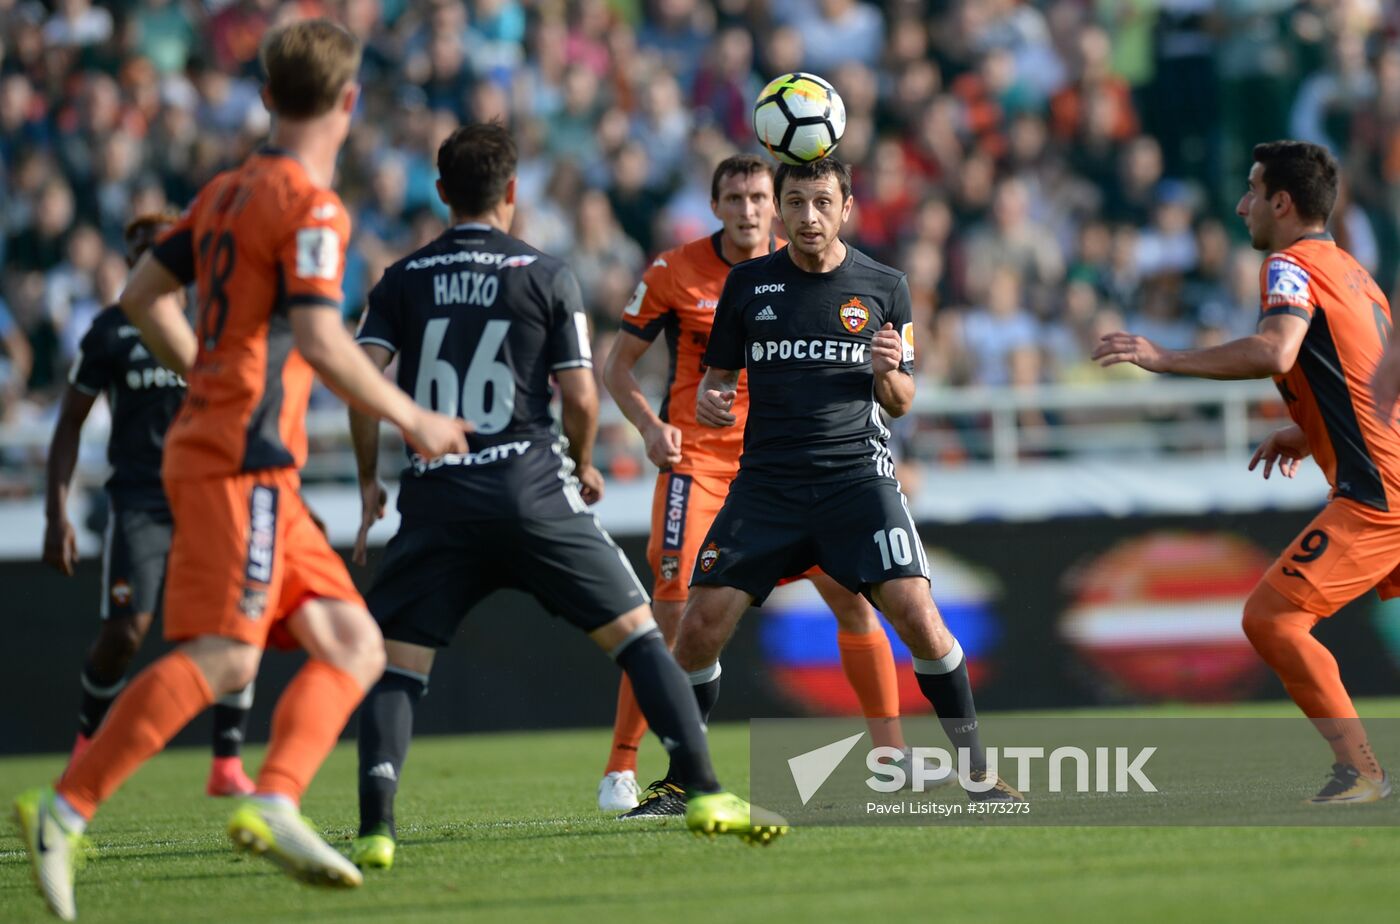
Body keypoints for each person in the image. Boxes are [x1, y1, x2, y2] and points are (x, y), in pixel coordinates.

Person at [13, 20, 471, 920]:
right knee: (226, 656)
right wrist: (414, 416)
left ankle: (275, 799)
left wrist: (205, 372)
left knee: (354, 643)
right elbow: (321, 339)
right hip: (240, 461)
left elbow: (141, 294)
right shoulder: (313, 206)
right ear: (349, 102)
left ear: (266, 96)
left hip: (252, 460)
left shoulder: (223, 192)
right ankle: (64, 811)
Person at [347, 122, 785, 872]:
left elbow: (362, 385)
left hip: (437, 499)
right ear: (513, 193)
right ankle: (705, 791)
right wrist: (582, 461)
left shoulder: (401, 278)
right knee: (643, 634)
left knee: (399, 668)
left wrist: (368, 480)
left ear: (442, 191)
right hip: (531, 491)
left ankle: (376, 829)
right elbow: (581, 393)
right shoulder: (545, 273)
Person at [666, 156, 1023, 806]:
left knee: (919, 617)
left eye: (822, 202)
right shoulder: (747, 285)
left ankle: (978, 772)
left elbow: (903, 401)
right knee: (698, 628)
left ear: (847, 208)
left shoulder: (884, 285)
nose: (809, 217)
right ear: (780, 209)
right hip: (768, 486)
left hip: (856, 482)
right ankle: (680, 779)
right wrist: (712, 402)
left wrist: (888, 373)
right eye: (796, 203)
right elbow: (716, 383)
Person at [600, 154, 913, 818]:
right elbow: (617, 366)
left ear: (776, 205)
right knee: (674, 612)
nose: (747, 210)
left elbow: (870, 375)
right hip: (697, 462)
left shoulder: (806, 268)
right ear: (714, 205)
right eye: (734, 198)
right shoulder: (673, 270)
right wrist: (651, 427)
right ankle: (625, 767)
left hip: (786, 467)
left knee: (853, 602)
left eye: (758, 198)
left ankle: (891, 755)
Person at [1094, 139, 1394, 804]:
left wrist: (1164, 358)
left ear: (1282, 203)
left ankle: (1362, 770)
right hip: (1386, 478)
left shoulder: (1289, 264)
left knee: (1273, 619)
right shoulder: (1354, 272)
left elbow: (1276, 350)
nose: (1240, 206)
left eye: (1252, 191)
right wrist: (1308, 431)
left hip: (1379, 495)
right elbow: (1375, 383)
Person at [43, 212, 256, 799]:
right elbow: (69, 424)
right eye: (138, 251)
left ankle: (227, 762)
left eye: (159, 249)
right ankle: (85, 751)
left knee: (237, 621)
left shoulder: (213, 322)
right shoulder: (110, 329)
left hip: (210, 493)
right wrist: (56, 512)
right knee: (124, 633)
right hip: (139, 498)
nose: (148, 259)